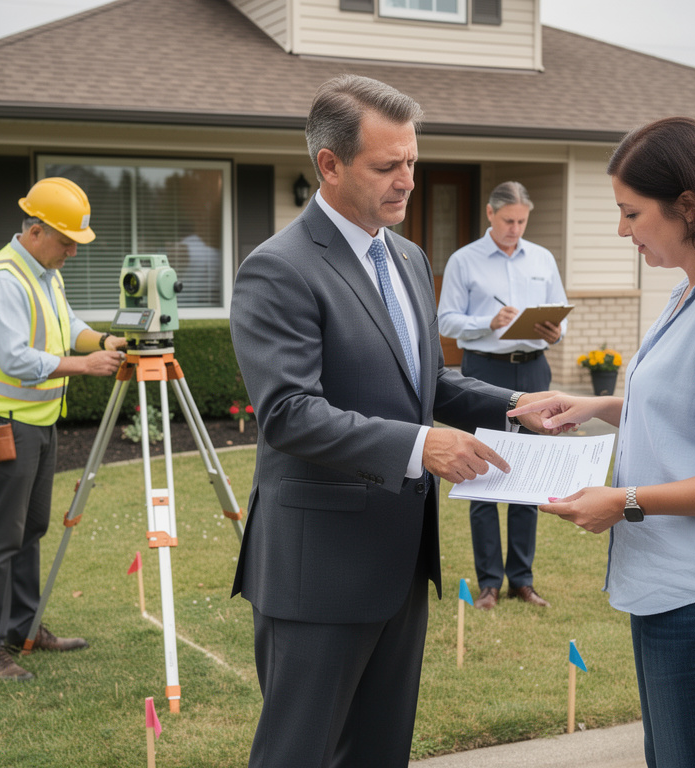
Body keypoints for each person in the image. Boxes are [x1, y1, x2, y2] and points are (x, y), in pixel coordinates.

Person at [229, 75, 553, 768]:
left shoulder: (406, 257)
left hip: (402, 563)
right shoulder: (277, 269)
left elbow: (424, 383)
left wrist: (515, 407)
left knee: (380, 753)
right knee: (298, 754)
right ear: (330, 165)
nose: (408, 180)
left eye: (412, 161)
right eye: (388, 166)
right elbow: (288, 414)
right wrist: (420, 446)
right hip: (319, 570)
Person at [510, 116, 695, 768]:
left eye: (630, 212)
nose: (622, 230)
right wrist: (595, 405)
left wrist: (625, 502)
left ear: (688, 207)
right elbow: (690, 409)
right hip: (680, 593)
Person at [0, 177, 128, 682]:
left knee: (30, 529)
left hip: (36, 420)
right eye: (67, 241)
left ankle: (23, 627)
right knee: (1, 537)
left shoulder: (43, 271)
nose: (74, 251)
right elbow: (15, 360)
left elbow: (67, 324)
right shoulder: (1, 280)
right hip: (2, 422)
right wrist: (86, 366)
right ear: (35, 230)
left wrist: (106, 339)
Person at [437, 181, 567, 610]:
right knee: (484, 476)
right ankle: (489, 583)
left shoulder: (543, 259)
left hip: (533, 369)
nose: (515, 228)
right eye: (508, 220)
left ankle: (522, 581)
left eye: (522, 221)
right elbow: (447, 322)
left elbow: (559, 318)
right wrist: (488, 322)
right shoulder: (463, 260)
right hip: (484, 374)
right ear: (490, 216)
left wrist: (554, 330)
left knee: (529, 478)